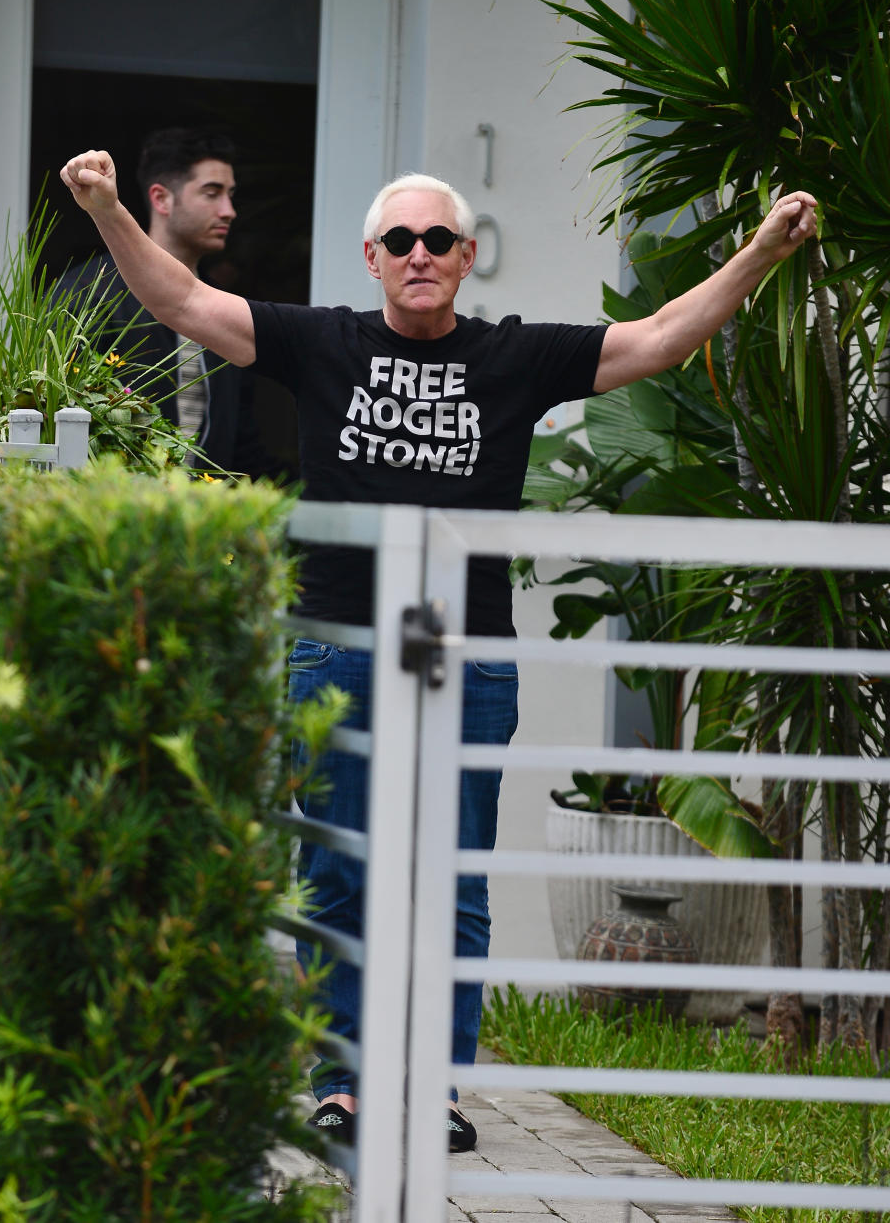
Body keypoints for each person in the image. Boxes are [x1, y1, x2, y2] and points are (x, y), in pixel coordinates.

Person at [59, 148, 817, 1151]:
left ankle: (434, 1094)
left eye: (439, 241)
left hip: (471, 661)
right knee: (336, 877)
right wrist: (108, 208)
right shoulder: (321, 341)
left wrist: (762, 250)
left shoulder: (514, 358)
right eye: (402, 241)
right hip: (337, 654)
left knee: (452, 886)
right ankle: (343, 1088)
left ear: (466, 257)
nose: (420, 256)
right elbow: (184, 304)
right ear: (372, 257)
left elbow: (663, 338)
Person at [60, 127, 287, 479]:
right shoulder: (89, 292)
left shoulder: (226, 308)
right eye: (212, 193)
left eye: (230, 195)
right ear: (162, 198)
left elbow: (243, 449)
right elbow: (56, 425)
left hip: (201, 521)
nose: (229, 211)